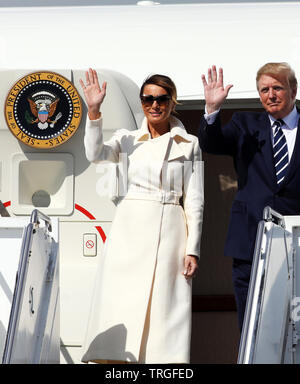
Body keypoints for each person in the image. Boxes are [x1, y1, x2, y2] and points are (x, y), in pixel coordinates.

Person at [80, 68, 204, 363]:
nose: (154, 105)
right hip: (129, 229)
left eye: (161, 98)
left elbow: (196, 200)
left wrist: (193, 249)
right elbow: (94, 153)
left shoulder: (189, 144)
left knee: (164, 310)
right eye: (147, 99)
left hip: (169, 229)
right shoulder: (126, 139)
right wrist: (94, 111)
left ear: (173, 102)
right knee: (120, 301)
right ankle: (116, 361)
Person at [199, 63, 300, 331]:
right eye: (264, 90)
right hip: (251, 241)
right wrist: (212, 110)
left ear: (293, 90)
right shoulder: (245, 124)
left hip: (297, 241)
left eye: (277, 88)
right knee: (252, 324)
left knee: (295, 326)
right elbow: (212, 144)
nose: (271, 95)